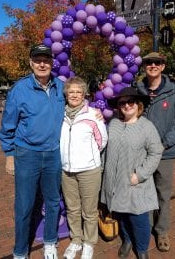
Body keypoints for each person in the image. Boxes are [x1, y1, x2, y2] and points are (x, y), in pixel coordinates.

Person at [0, 44, 65, 259]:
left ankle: (50, 242)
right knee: (25, 205)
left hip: (54, 153)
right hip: (27, 154)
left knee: (53, 201)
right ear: (31, 63)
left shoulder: (60, 87)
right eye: (38, 60)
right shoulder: (20, 89)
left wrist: (95, 114)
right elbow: (8, 124)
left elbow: (77, 106)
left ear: (52, 62)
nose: (42, 63)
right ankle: (20, 251)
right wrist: (9, 155)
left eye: (46, 59)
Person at [136, 52, 175, 252]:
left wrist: (165, 143)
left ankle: (161, 231)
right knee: (143, 191)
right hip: (141, 154)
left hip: (164, 154)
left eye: (157, 62)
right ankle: (146, 227)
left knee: (163, 194)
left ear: (163, 66)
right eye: (149, 62)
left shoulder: (174, 92)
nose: (153, 65)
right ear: (144, 66)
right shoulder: (138, 90)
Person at [101, 87, 164, 259]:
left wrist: (140, 174)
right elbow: (105, 149)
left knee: (139, 219)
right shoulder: (113, 123)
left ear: (138, 104)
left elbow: (156, 152)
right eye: (123, 102)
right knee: (121, 214)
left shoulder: (146, 126)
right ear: (118, 106)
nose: (127, 105)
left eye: (131, 102)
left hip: (134, 181)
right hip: (114, 181)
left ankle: (142, 249)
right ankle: (127, 240)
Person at [60, 77, 108, 259]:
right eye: (71, 91)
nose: (74, 95)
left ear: (84, 94)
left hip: (89, 170)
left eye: (78, 92)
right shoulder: (60, 114)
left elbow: (102, 141)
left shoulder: (93, 115)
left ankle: (89, 242)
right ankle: (76, 240)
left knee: (89, 210)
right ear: (66, 94)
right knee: (72, 209)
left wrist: (88, 157)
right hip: (67, 171)